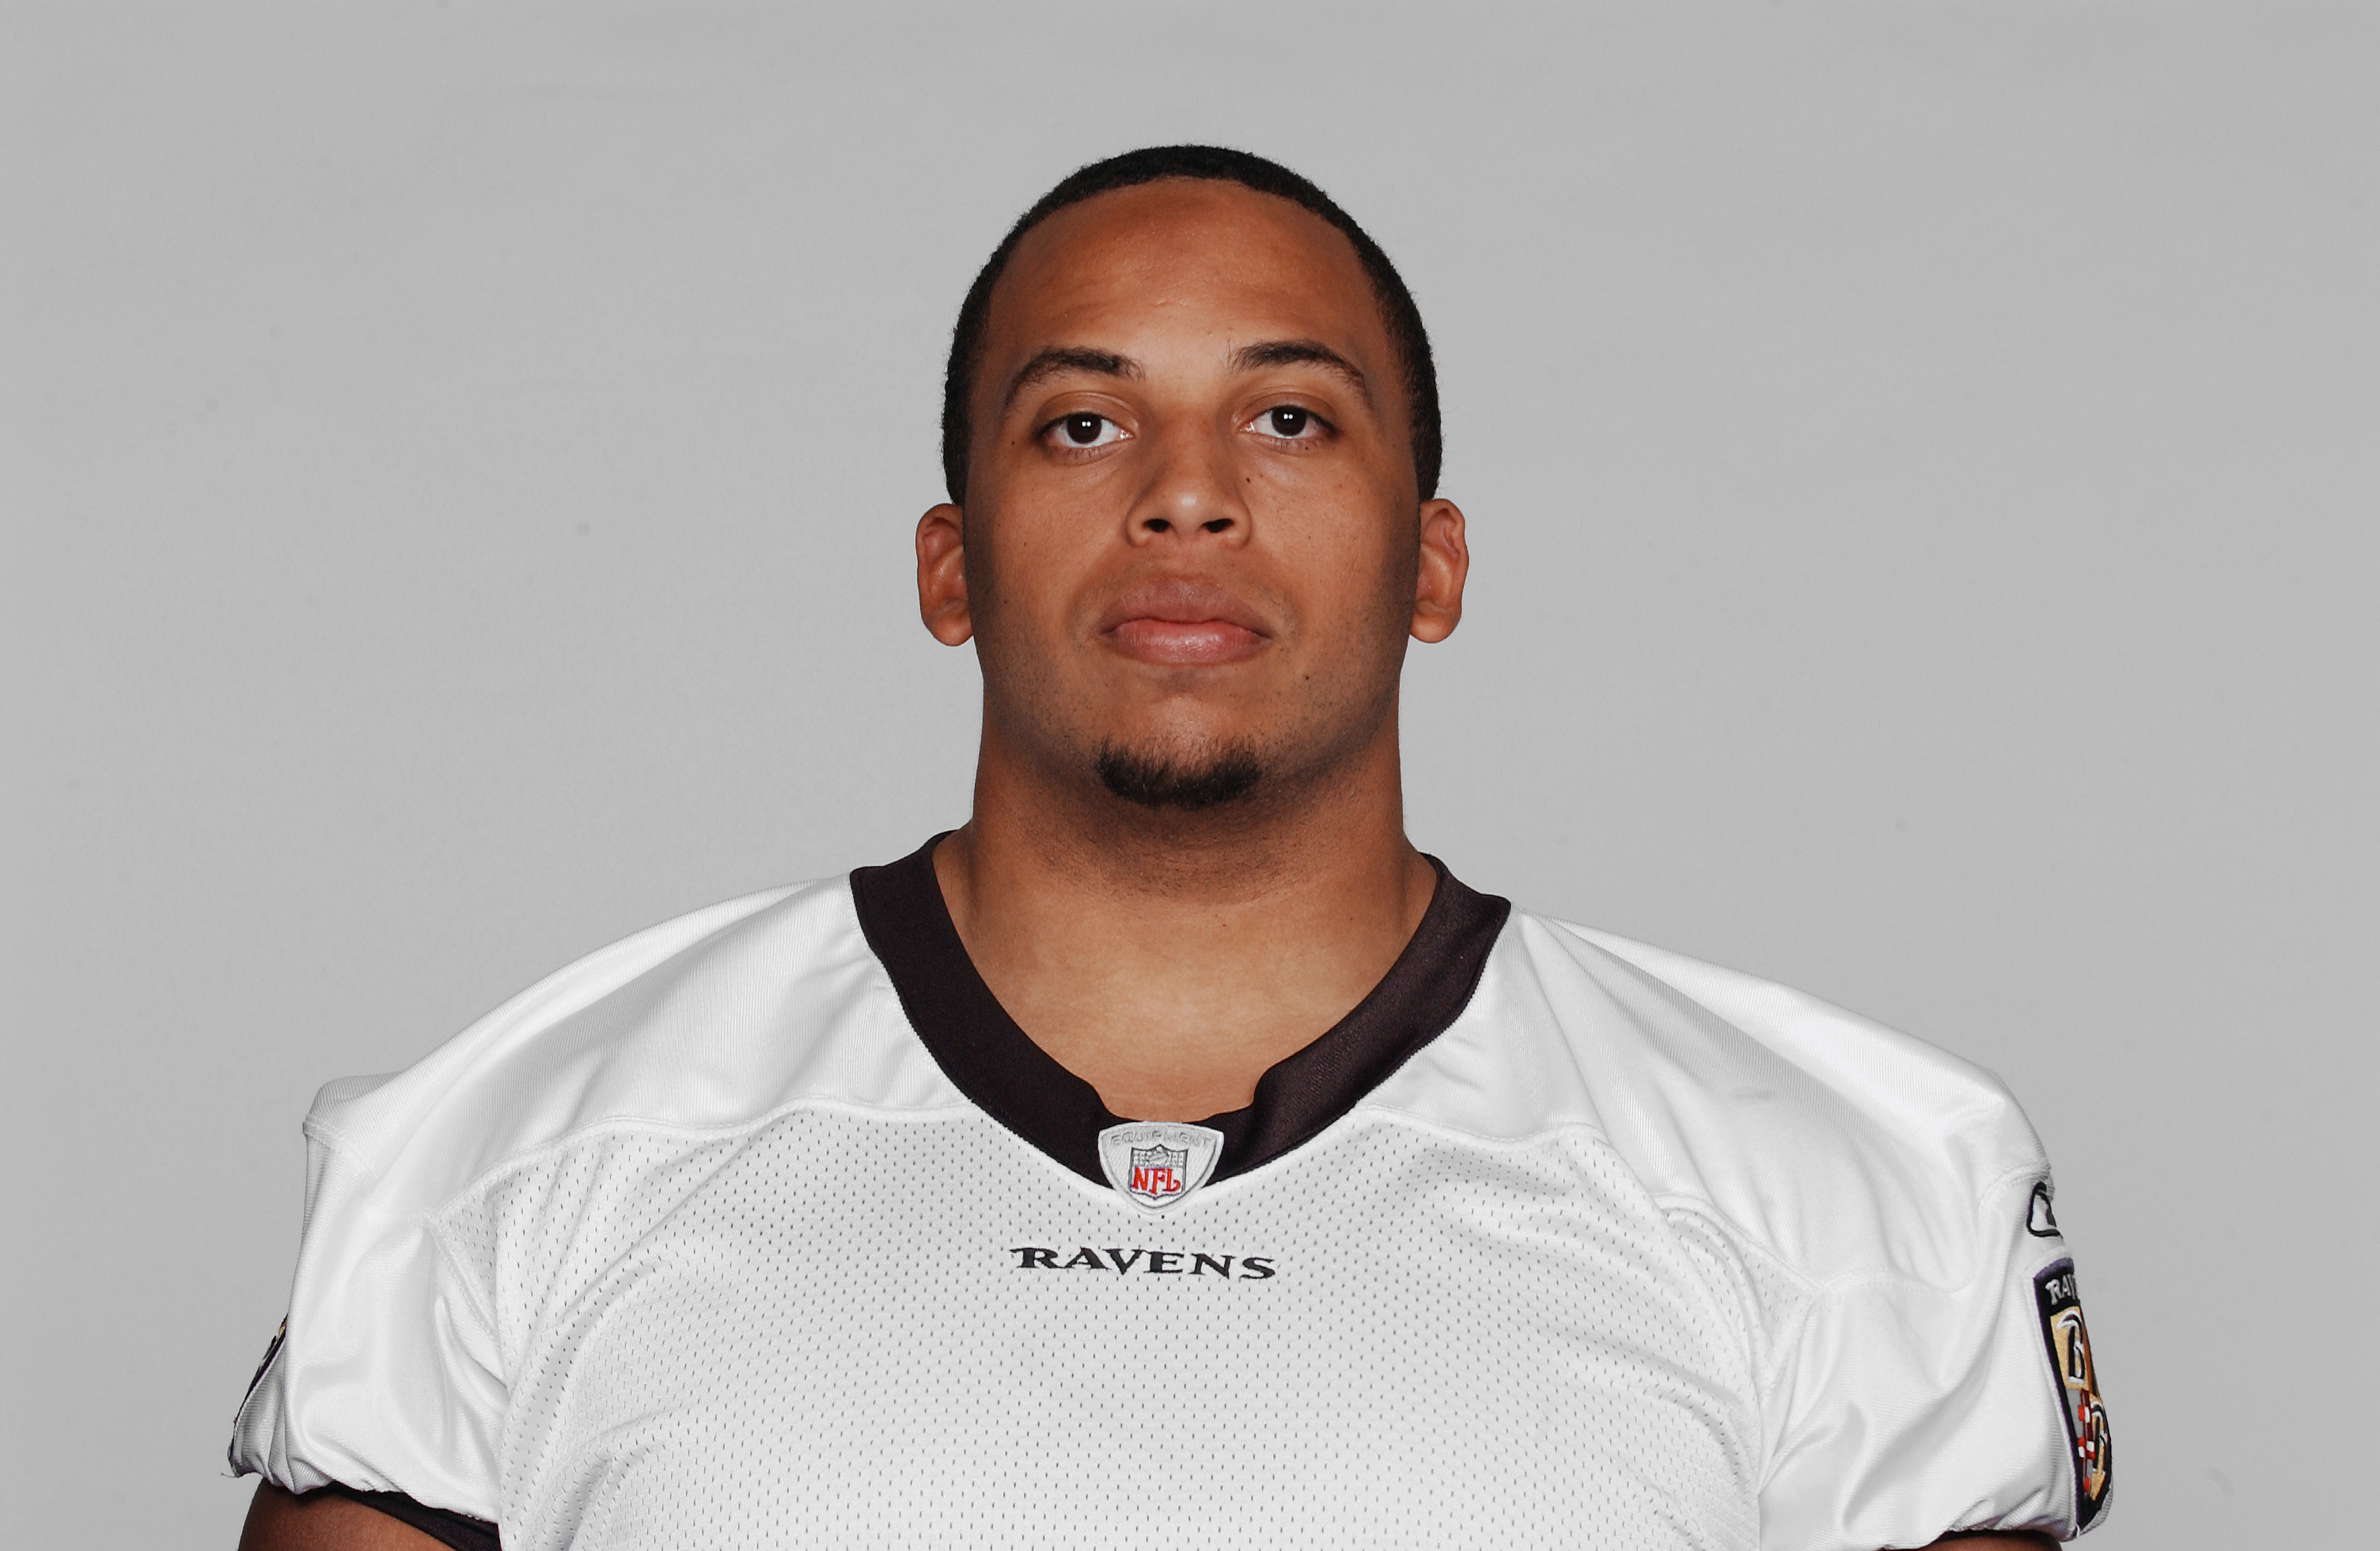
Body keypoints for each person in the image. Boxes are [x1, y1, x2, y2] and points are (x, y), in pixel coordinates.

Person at [231, 146, 2110, 1551]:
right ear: (947, 566)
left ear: (1429, 563)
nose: (1187, 491)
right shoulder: (512, 1151)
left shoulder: (1851, 1183)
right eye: (1082, 421)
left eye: (1287, 417)